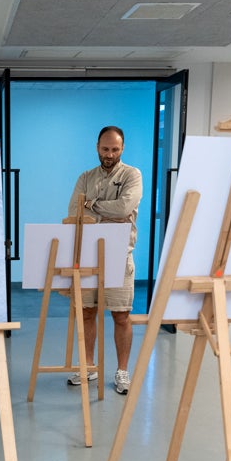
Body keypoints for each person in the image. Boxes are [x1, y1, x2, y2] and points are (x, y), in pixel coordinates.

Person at [67, 126, 142, 395]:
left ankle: (122, 372)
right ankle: (88, 367)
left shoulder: (132, 175)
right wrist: (97, 210)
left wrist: (92, 205)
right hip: (87, 252)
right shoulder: (85, 177)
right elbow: (74, 211)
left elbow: (124, 208)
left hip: (120, 254)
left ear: (122, 149)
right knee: (86, 312)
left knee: (121, 315)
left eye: (115, 149)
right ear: (97, 146)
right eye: (105, 149)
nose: (109, 154)